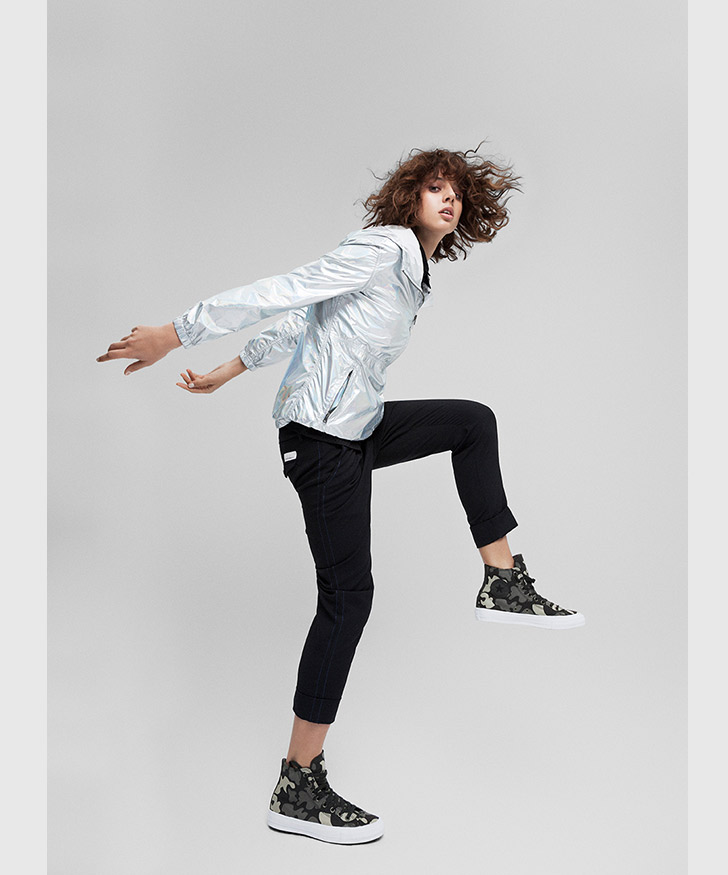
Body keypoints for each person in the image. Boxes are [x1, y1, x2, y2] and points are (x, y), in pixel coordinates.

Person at [97, 145, 585, 845]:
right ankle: (298, 782)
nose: (448, 198)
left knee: (472, 422)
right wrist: (177, 333)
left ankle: (502, 580)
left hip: (355, 425)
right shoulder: (384, 248)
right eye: (435, 187)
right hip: (322, 437)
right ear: (410, 197)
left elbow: (309, 321)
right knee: (348, 597)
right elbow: (291, 289)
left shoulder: (411, 274)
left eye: (456, 190)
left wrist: (231, 369)